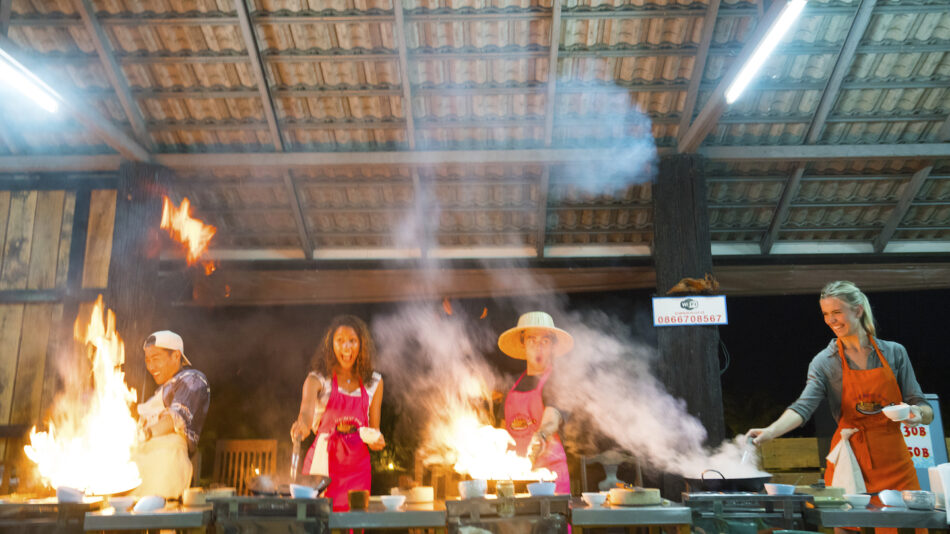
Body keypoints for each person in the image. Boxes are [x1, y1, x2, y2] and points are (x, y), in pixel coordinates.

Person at [747, 281, 932, 504]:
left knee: (906, 525)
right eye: (826, 314)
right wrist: (770, 431)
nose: (831, 320)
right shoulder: (825, 362)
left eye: (837, 312)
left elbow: (922, 405)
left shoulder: (894, 352)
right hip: (849, 460)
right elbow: (803, 407)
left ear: (858, 310)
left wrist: (918, 413)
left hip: (896, 460)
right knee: (849, 524)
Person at [292, 315, 386, 510]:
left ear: (362, 345)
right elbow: (306, 413)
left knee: (354, 523)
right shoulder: (317, 379)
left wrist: (378, 440)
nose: (346, 347)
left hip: (357, 471)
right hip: (322, 470)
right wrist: (302, 424)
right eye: (340, 341)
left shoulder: (374, 383)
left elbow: (374, 431)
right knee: (317, 523)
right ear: (330, 344)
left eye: (352, 341)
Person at [497, 311, 572, 494]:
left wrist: (540, 437)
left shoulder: (558, 382)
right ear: (523, 345)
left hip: (549, 476)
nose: (538, 347)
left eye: (545, 341)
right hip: (514, 476)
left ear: (553, 347)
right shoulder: (510, 386)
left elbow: (551, 420)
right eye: (532, 340)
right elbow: (500, 432)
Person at [134, 330, 210, 499]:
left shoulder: (192, 379)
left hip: (166, 464)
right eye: (147, 360)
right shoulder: (160, 391)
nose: (151, 367)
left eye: (156, 359)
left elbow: (174, 418)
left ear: (176, 356)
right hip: (142, 464)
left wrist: (144, 434)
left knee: (156, 514)